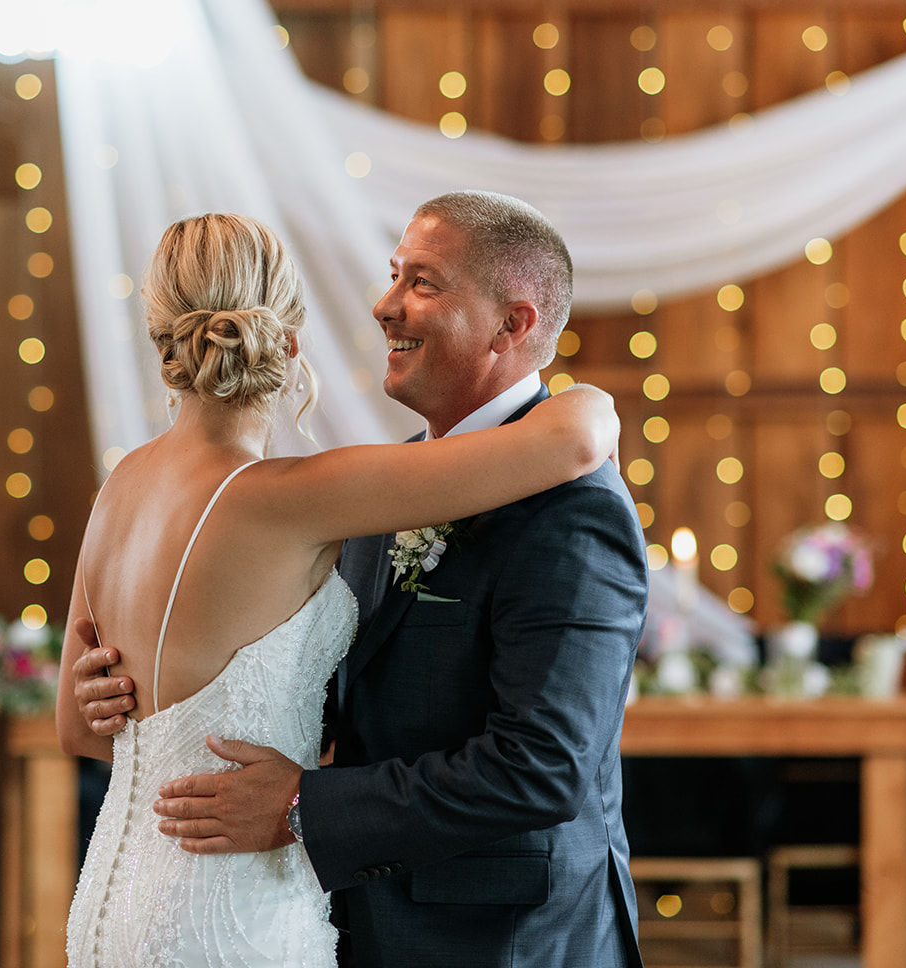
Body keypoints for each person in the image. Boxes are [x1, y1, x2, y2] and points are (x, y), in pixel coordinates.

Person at [73, 192, 648, 966]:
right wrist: (122, 693)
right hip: (307, 915)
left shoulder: (568, 507)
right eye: (393, 275)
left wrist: (304, 805)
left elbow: (542, 767)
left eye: (423, 282)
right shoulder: (363, 488)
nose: (385, 305)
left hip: (502, 942)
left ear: (513, 325)